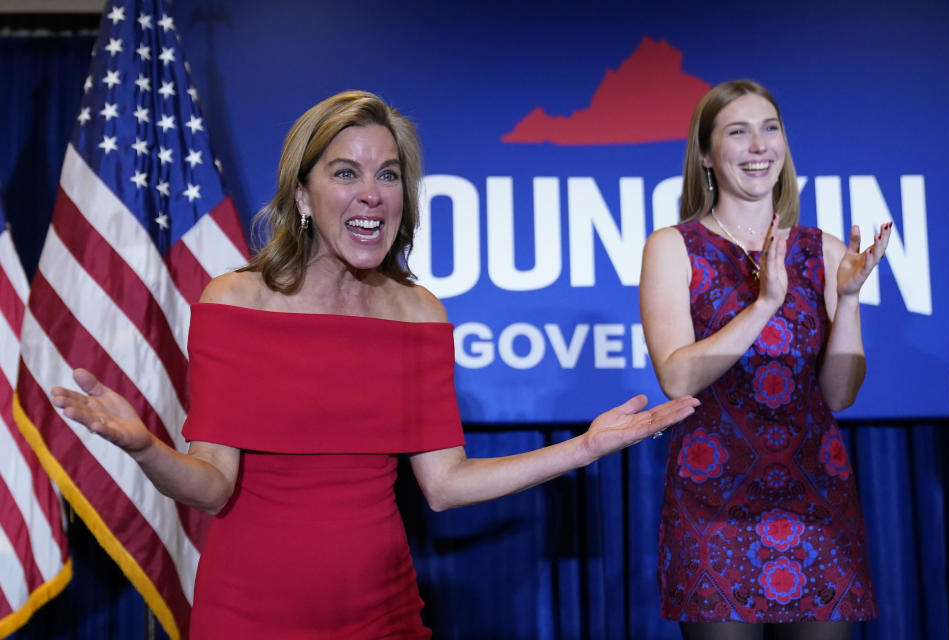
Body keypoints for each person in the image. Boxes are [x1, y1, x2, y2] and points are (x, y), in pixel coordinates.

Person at [51, 90, 699, 639]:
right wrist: (143, 447)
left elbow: (446, 486)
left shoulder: (418, 313)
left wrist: (585, 448)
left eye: (388, 175)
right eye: (346, 173)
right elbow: (213, 485)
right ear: (302, 197)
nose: (371, 193)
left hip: (382, 616)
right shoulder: (235, 301)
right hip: (247, 615)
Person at [638, 79, 890, 640]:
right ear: (706, 153)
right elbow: (678, 376)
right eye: (738, 131)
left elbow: (840, 394)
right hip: (713, 504)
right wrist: (766, 304)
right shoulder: (673, 247)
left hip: (816, 504)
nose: (759, 145)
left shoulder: (824, 250)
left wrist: (847, 298)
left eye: (770, 128)